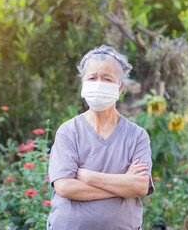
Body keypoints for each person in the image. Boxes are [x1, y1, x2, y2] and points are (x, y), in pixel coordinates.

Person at [47, 45, 154, 230]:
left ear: (120, 87)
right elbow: (64, 187)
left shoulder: (137, 136)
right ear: (83, 84)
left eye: (107, 78)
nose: (99, 83)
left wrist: (87, 176)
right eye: (92, 77)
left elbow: (139, 187)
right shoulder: (68, 131)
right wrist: (122, 184)